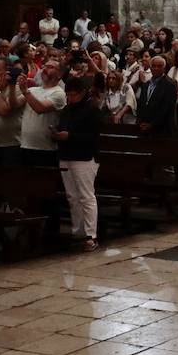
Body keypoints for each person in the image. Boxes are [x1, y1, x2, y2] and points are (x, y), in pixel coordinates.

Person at [52, 76, 101, 250]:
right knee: (72, 197)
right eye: (68, 95)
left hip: (84, 156)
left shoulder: (92, 108)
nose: (70, 98)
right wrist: (58, 133)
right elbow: (63, 125)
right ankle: (78, 231)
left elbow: (92, 135)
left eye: (73, 95)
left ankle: (91, 234)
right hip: (66, 154)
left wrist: (70, 136)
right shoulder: (68, 109)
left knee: (86, 196)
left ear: (82, 93)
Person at [135, 55, 178, 135]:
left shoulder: (170, 85)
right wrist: (140, 121)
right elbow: (141, 104)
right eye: (153, 66)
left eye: (159, 66)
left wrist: (152, 124)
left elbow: (167, 108)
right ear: (150, 68)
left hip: (162, 129)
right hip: (144, 127)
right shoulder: (146, 85)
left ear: (164, 68)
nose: (156, 68)